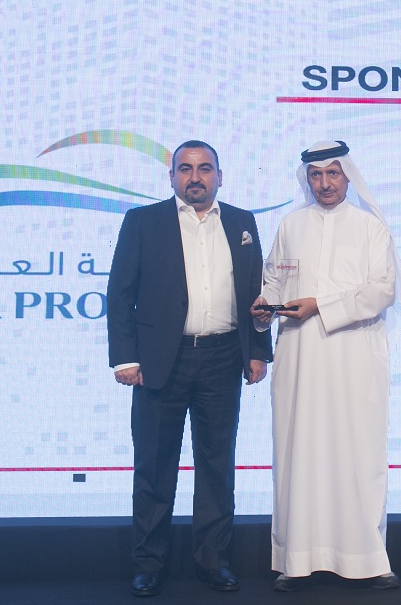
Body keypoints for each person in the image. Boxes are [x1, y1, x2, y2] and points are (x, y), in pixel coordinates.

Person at [107, 140, 271, 597]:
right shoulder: (143, 221)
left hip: (222, 357)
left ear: (219, 175)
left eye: (204, 168)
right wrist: (125, 357)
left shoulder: (242, 221)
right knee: (155, 466)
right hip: (161, 361)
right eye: (185, 168)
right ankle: (148, 563)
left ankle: (214, 561)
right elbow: (120, 294)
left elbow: (256, 291)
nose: (194, 177)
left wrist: (257, 350)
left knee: (216, 466)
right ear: (172, 176)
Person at [250, 140, 399, 593]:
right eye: (316, 175)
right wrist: (263, 307)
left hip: (354, 357)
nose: (325, 183)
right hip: (300, 358)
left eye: (333, 174)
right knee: (299, 454)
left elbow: (383, 291)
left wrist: (322, 305)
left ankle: (367, 559)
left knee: (357, 454)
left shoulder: (370, 227)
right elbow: (273, 281)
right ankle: (297, 560)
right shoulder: (291, 225)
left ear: (347, 176)